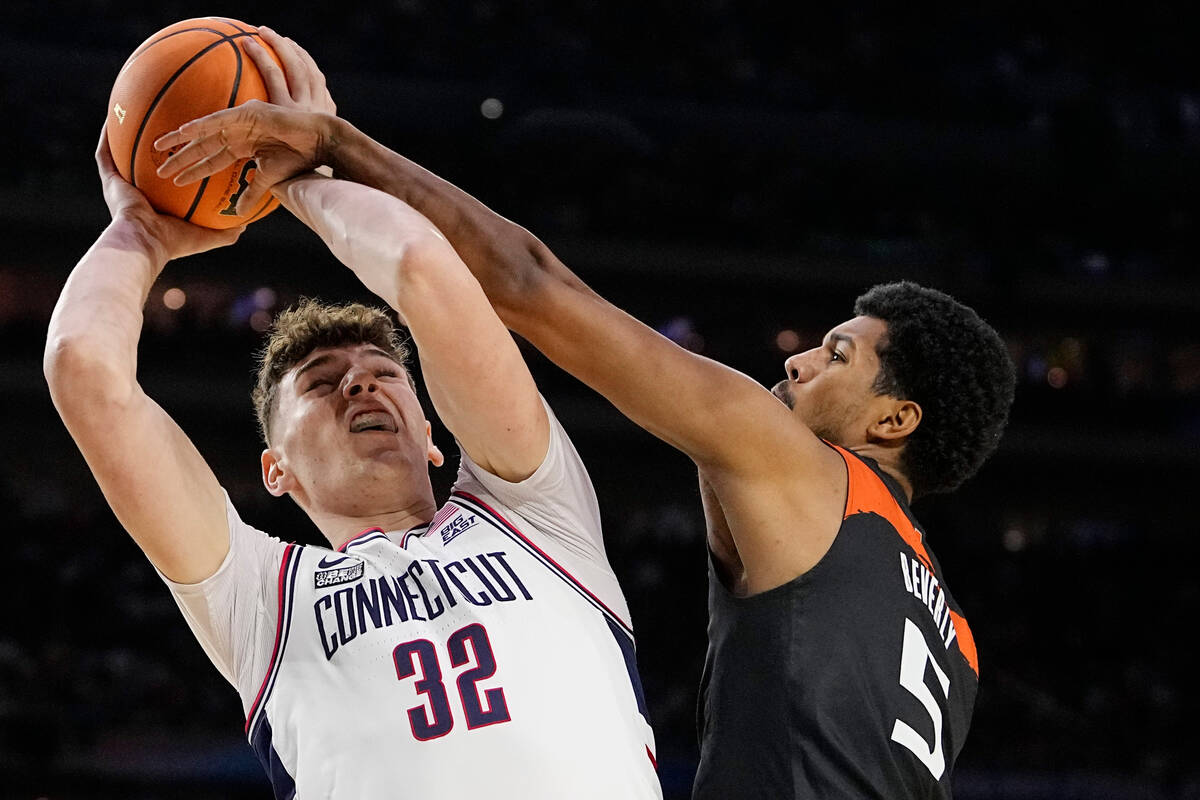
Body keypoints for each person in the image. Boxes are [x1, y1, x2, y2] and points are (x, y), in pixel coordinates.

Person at [156, 28, 1016, 798]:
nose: (797, 360)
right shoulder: (957, 641)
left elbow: (531, 284)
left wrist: (335, 152)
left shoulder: (802, 469)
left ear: (894, 421)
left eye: (838, 354)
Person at [43, 106, 662, 800]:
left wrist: (298, 178)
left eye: (383, 371)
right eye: (321, 383)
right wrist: (140, 232)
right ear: (275, 469)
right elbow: (85, 374)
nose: (360, 381)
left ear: (431, 435)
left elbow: (423, 267)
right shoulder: (261, 601)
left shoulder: (538, 512)